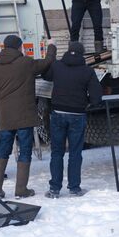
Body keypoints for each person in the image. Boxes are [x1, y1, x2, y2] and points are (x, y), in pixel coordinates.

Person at [0, 35, 57, 198]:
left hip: (5, 116)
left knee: (3, 148)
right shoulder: (25, 63)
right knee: (25, 149)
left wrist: (1, 107)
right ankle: (21, 189)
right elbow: (47, 62)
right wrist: (52, 46)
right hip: (24, 116)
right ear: (19, 47)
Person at [42, 42, 102, 198]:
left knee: (57, 152)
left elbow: (45, 76)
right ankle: (74, 188)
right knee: (75, 153)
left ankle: (54, 189)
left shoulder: (57, 66)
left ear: (68, 51)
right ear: (82, 54)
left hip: (57, 113)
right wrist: (86, 102)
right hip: (77, 115)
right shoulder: (87, 71)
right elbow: (96, 97)